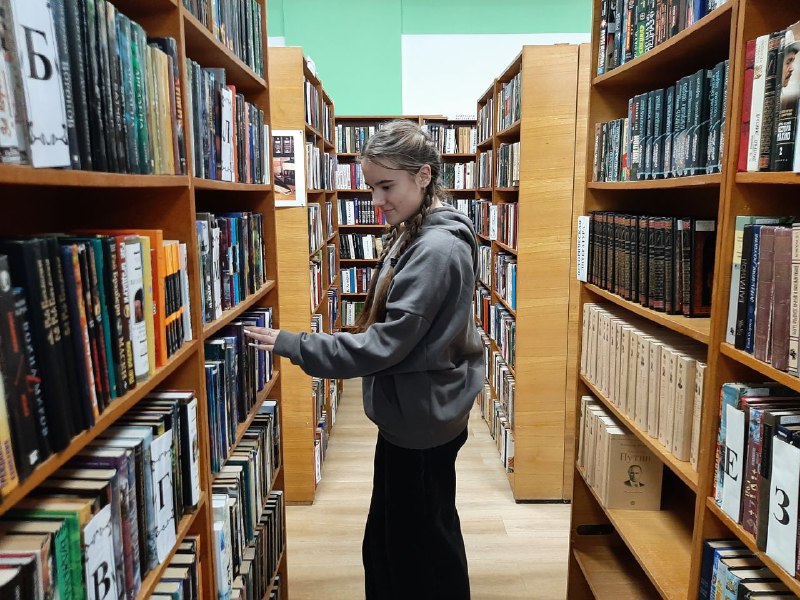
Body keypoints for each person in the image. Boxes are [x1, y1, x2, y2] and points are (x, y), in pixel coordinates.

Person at [245, 120, 483, 600]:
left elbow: (384, 345)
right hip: (416, 412)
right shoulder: (417, 230)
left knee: (419, 551)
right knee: (400, 540)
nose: (377, 201)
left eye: (386, 186)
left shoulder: (435, 249)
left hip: (420, 420)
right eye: (372, 187)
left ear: (423, 176)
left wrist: (296, 345)